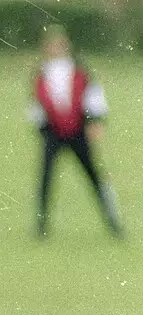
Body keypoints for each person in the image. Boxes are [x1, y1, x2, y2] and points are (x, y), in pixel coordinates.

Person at [30, 27, 124, 237]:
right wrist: (42, 128)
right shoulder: (41, 72)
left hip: (78, 130)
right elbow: (37, 103)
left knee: (94, 176)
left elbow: (93, 97)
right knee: (46, 178)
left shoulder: (79, 69)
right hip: (53, 132)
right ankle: (41, 225)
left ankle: (113, 221)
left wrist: (96, 121)